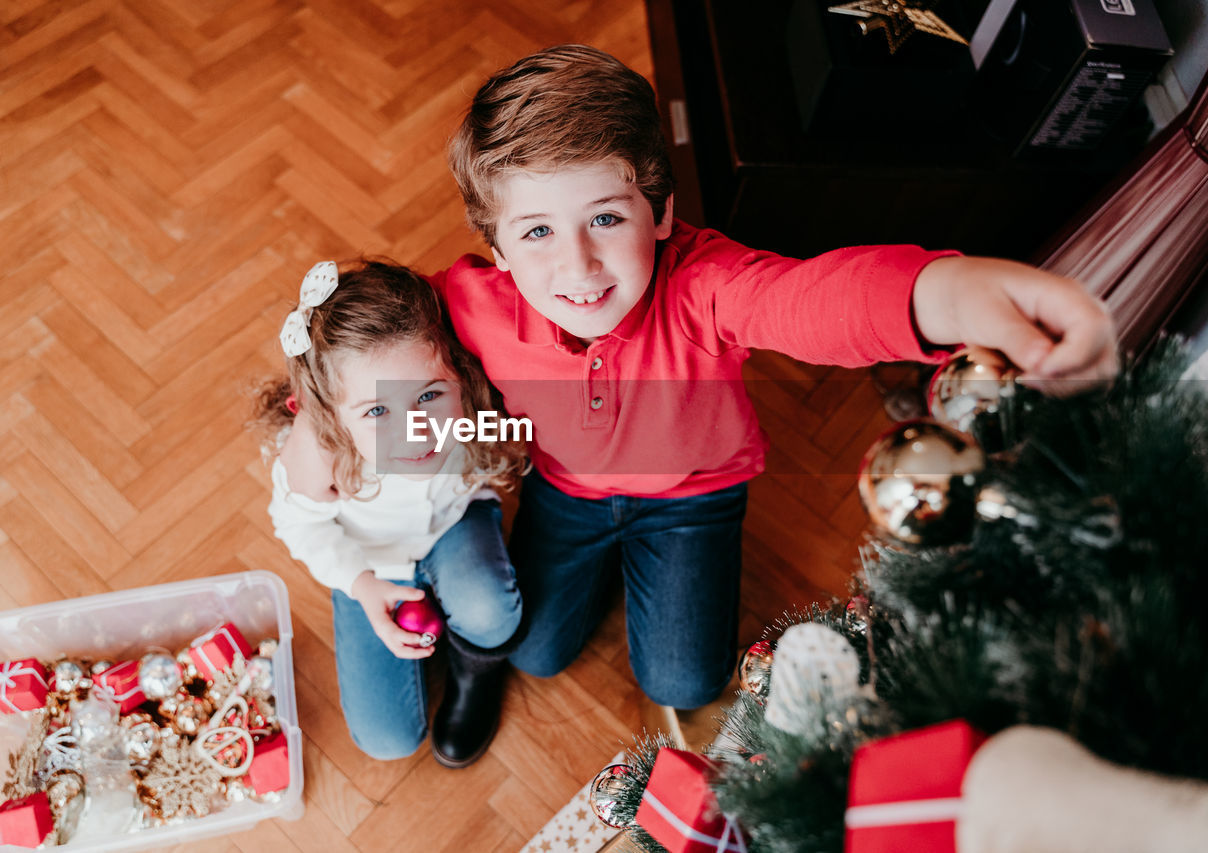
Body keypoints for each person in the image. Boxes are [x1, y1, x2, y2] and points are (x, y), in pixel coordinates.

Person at [429, 44, 1119, 710]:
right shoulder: (470, 302)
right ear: (499, 251)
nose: (578, 267)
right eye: (537, 232)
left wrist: (952, 294)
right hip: (567, 493)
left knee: (684, 685)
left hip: (694, 498)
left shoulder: (705, 283)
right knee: (533, 652)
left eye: (605, 217)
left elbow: (811, 299)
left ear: (663, 211)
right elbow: (374, 349)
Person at [252, 258, 526, 767]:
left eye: (428, 395)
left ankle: (476, 674)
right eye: (378, 411)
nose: (415, 430)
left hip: (454, 525)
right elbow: (298, 525)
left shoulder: (472, 402)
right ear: (331, 415)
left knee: (491, 611)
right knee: (386, 740)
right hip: (371, 563)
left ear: (457, 376)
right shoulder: (318, 454)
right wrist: (359, 584)